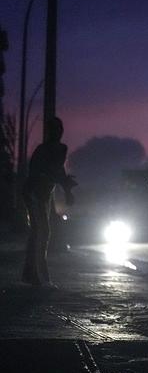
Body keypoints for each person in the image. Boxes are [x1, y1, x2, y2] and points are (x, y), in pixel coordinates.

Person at [22, 117, 76, 287]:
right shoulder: (45, 150)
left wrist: (67, 189)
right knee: (41, 232)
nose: (57, 133)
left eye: (59, 129)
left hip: (43, 194)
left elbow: (58, 172)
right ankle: (39, 277)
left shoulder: (58, 149)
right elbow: (48, 173)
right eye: (54, 129)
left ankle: (32, 274)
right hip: (34, 193)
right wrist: (65, 186)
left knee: (39, 233)